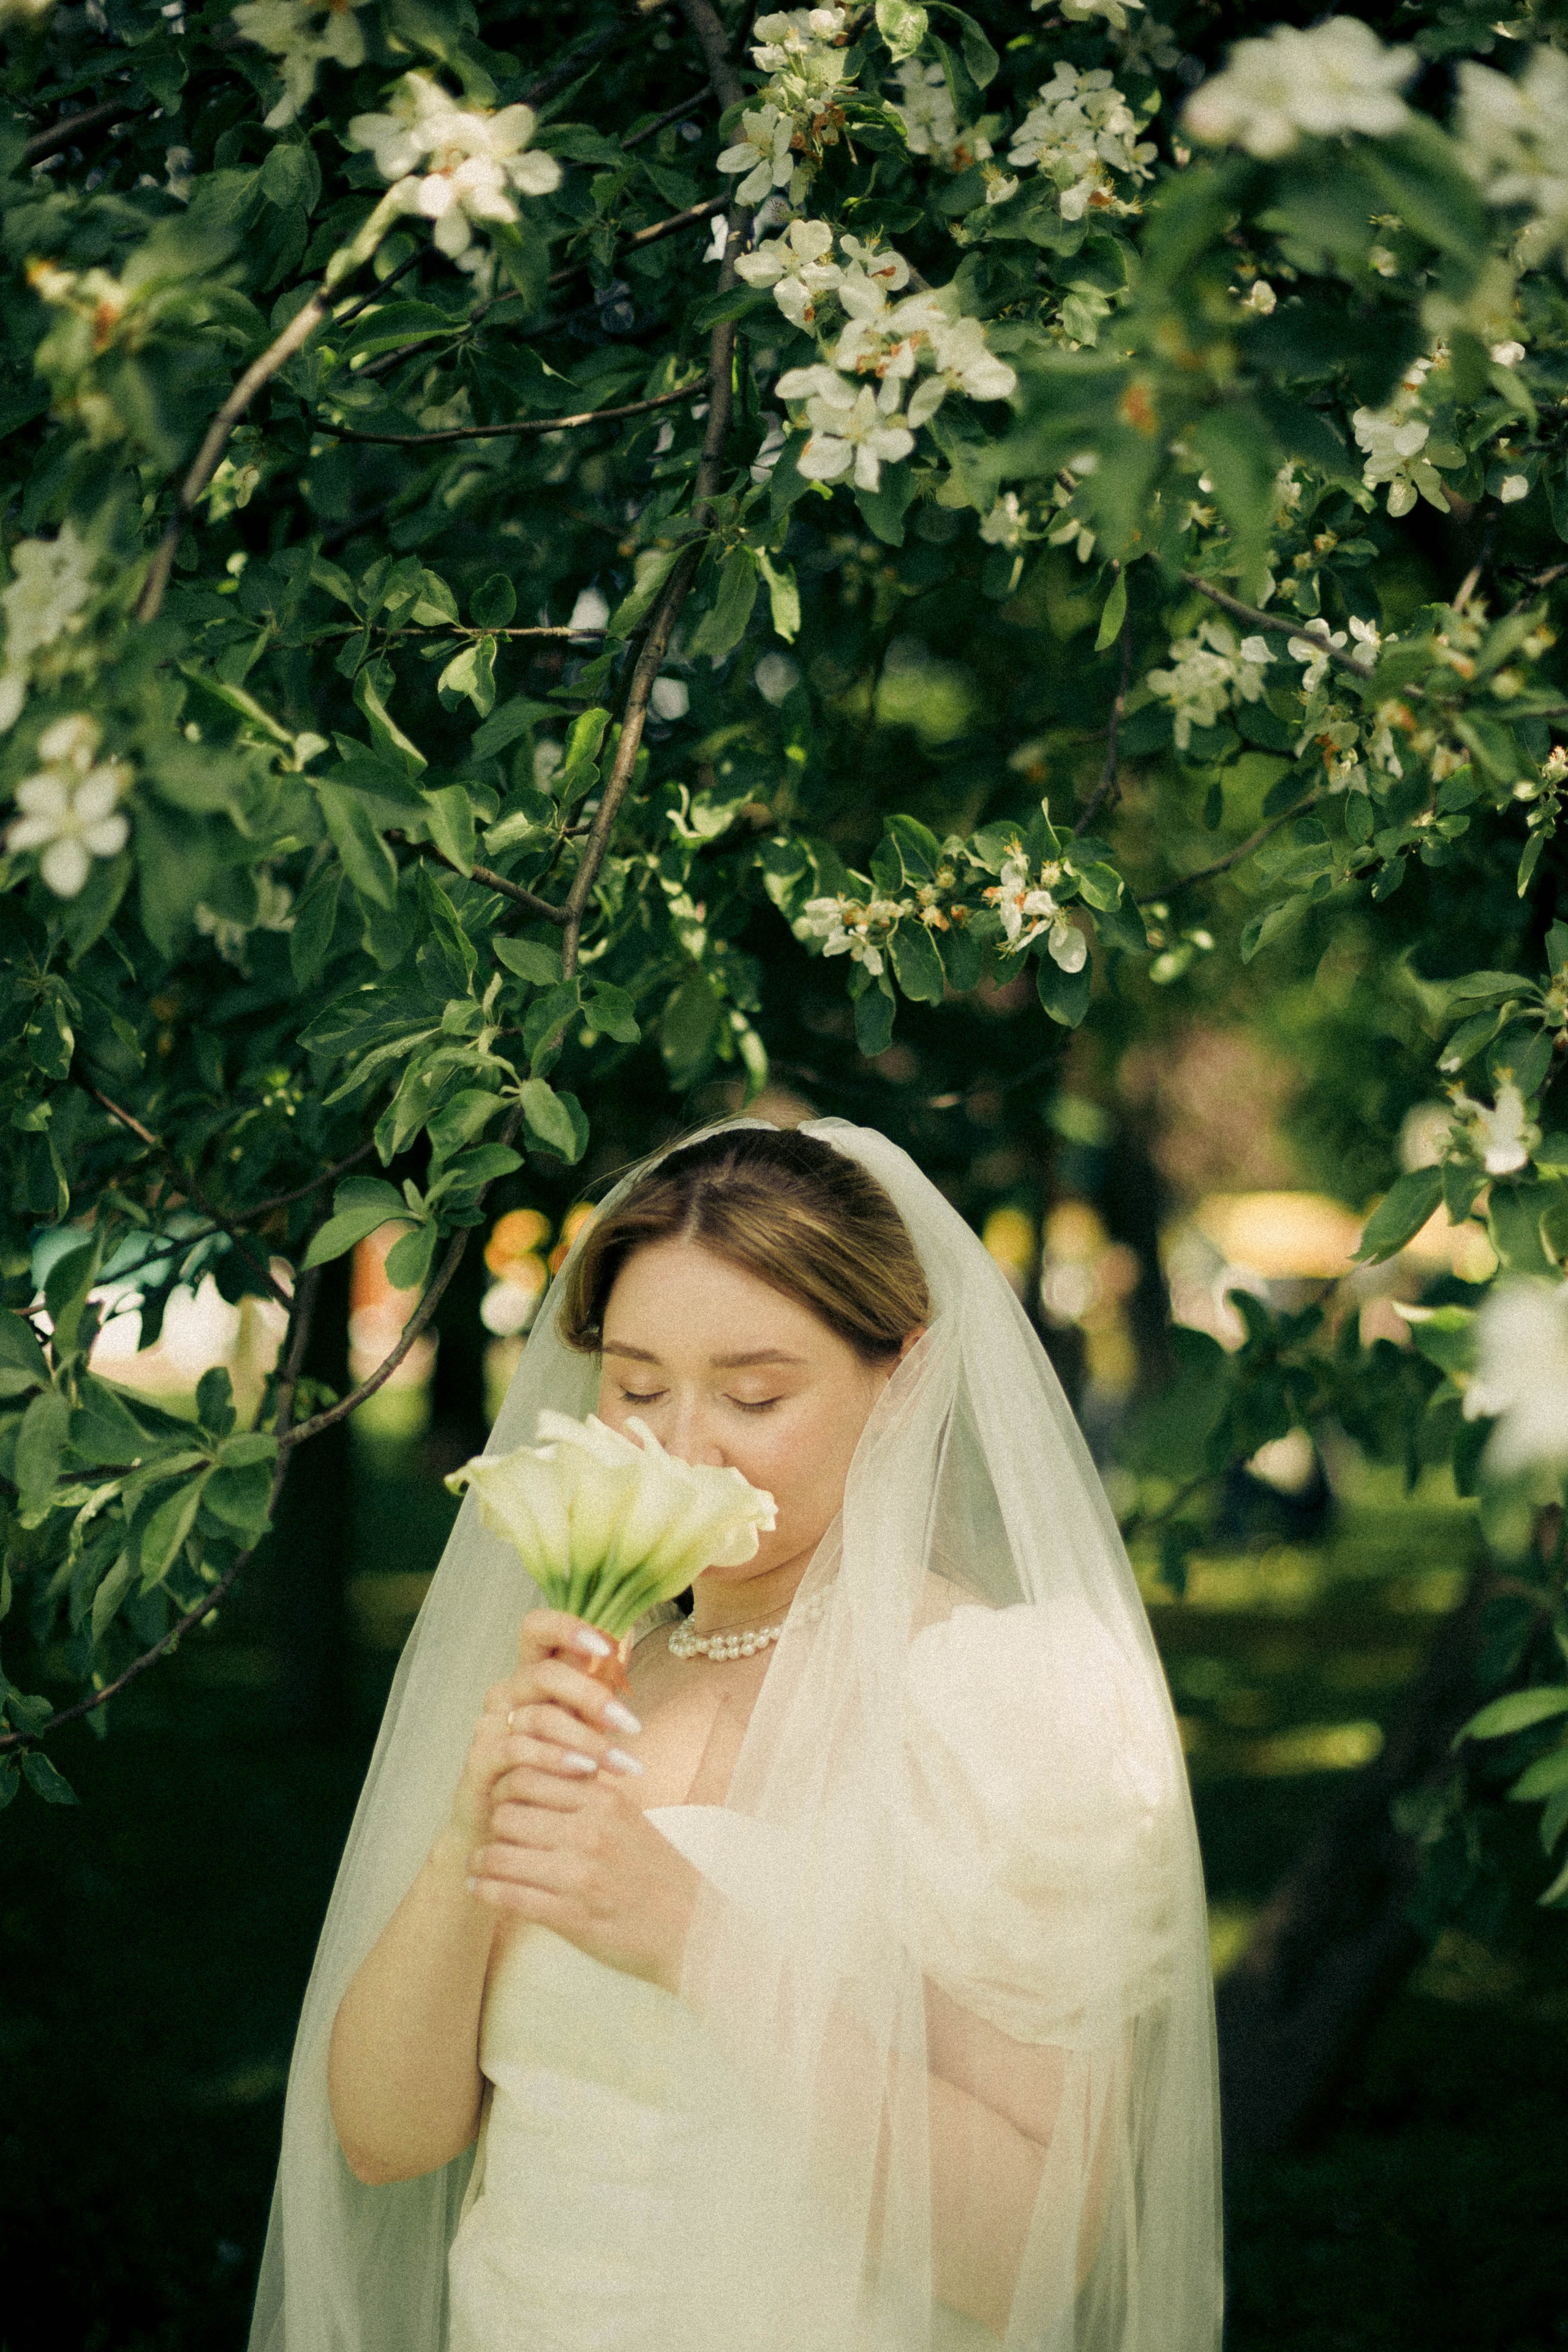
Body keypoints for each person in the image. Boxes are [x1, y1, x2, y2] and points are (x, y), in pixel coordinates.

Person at [250, 1119, 1221, 2352]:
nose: (680, 1442)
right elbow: (387, 2141)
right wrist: (465, 1839)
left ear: (903, 1378)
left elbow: (1027, 2252)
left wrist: (692, 1937)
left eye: (753, 1393)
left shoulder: (1003, 1702)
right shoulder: (581, 1672)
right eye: (636, 1386)